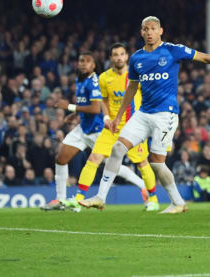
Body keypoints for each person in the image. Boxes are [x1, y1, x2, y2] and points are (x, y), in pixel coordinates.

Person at [79, 16, 210, 213]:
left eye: (153, 28)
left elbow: (205, 57)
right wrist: (119, 116)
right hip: (143, 113)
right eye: (146, 29)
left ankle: (177, 202)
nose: (149, 32)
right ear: (141, 32)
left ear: (161, 31)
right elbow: (131, 88)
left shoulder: (173, 50)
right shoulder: (137, 58)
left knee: (156, 163)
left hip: (166, 115)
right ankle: (101, 197)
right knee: (118, 148)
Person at [42, 52, 146, 211]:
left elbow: (96, 107)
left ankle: (142, 185)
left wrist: (69, 107)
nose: (83, 64)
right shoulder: (80, 80)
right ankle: (60, 199)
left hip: (99, 130)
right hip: (83, 128)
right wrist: (75, 114)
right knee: (61, 158)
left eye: (87, 61)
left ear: (93, 65)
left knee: (112, 164)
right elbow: (86, 103)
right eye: (81, 61)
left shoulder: (95, 81)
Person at [68, 42, 161, 212]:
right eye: (115, 55)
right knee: (94, 158)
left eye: (122, 54)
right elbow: (104, 100)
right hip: (112, 127)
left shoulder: (137, 76)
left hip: (134, 128)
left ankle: (153, 199)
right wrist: (105, 117)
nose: (119, 57)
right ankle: (79, 197)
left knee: (142, 163)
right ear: (111, 58)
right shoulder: (104, 78)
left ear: (127, 57)